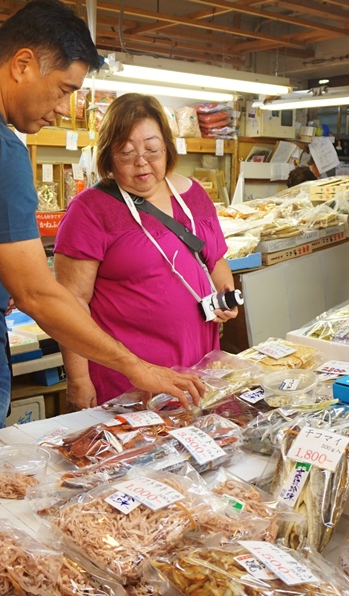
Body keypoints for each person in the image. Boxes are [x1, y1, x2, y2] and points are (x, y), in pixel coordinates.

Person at [0, 0, 203, 444]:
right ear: (24, 65)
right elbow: (37, 293)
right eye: (65, 89)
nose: (66, 109)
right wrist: (136, 368)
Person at [54, 94, 238, 409]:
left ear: (167, 147)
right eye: (126, 153)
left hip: (200, 370)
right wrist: (79, 381)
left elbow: (216, 258)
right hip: (128, 382)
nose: (142, 162)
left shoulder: (193, 194)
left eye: (152, 150)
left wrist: (226, 294)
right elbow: (70, 305)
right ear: (108, 156)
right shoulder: (90, 210)